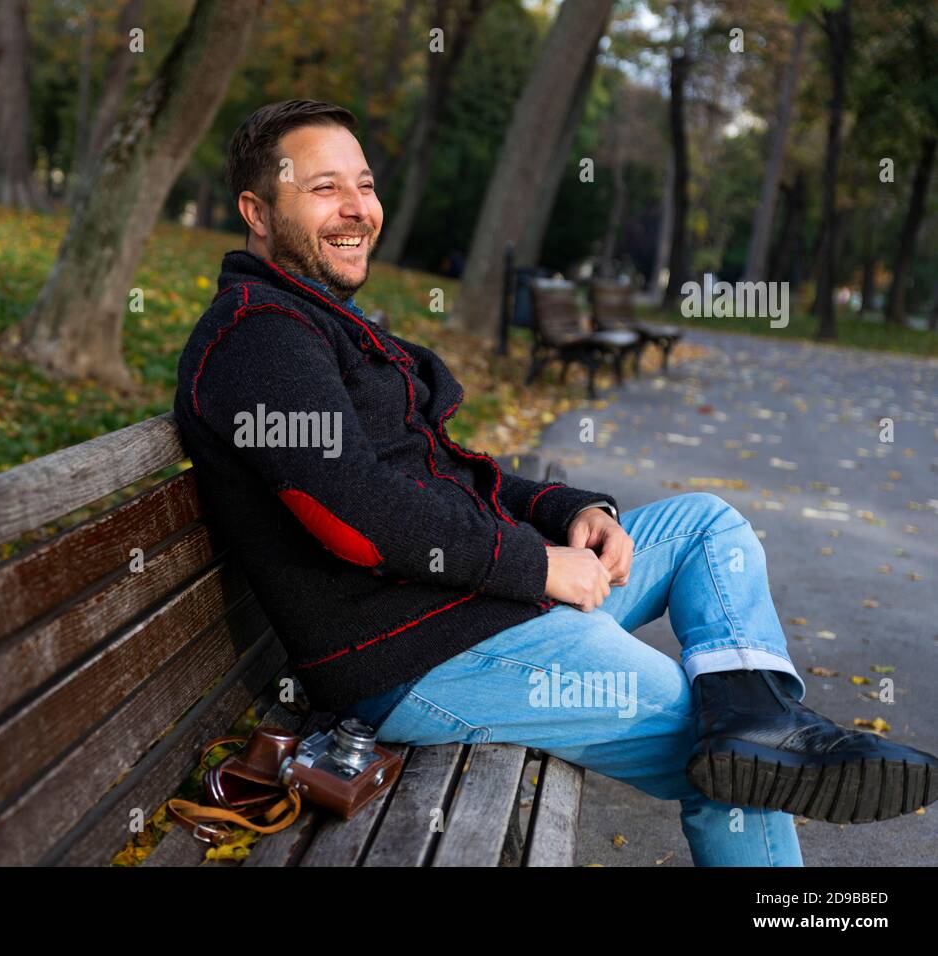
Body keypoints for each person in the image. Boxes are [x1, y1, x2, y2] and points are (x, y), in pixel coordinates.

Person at [171, 99, 938, 866]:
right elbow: (356, 517)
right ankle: (758, 743)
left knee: (707, 526)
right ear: (257, 212)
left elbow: (450, 469)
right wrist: (539, 564)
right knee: (727, 758)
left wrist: (572, 510)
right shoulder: (260, 337)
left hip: (476, 607)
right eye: (323, 188)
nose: (356, 209)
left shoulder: (318, 320)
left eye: (365, 185)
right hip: (417, 656)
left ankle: (760, 718)